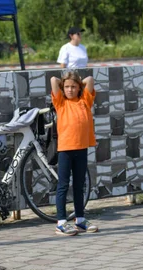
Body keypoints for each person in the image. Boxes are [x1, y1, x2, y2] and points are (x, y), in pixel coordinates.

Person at [50, 71, 98, 236]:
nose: (70, 90)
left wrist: (79, 82)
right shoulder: (60, 102)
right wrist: (64, 82)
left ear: (79, 88)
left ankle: (80, 219)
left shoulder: (85, 100)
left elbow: (90, 79)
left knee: (79, 185)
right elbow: (53, 80)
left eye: (74, 87)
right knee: (63, 185)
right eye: (67, 87)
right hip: (65, 150)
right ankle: (61, 222)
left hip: (81, 148)